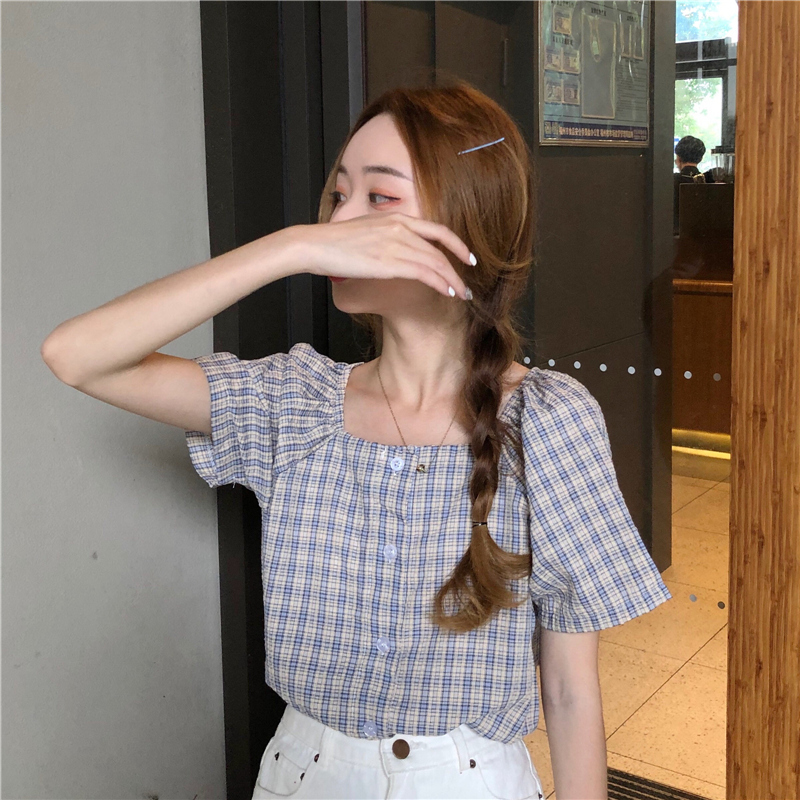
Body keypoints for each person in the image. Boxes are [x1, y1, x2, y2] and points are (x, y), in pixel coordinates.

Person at [41, 79, 672, 800]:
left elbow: (569, 687)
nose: (342, 221)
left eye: (379, 197)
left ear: (465, 223)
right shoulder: (294, 400)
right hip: (302, 776)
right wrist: (289, 247)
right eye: (338, 196)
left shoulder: (549, 418)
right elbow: (76, 356)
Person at [673, 135, 716, 234]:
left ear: (678, 158)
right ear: (700, 158)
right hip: (704, 236)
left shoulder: (669, 182)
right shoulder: (709, 181)